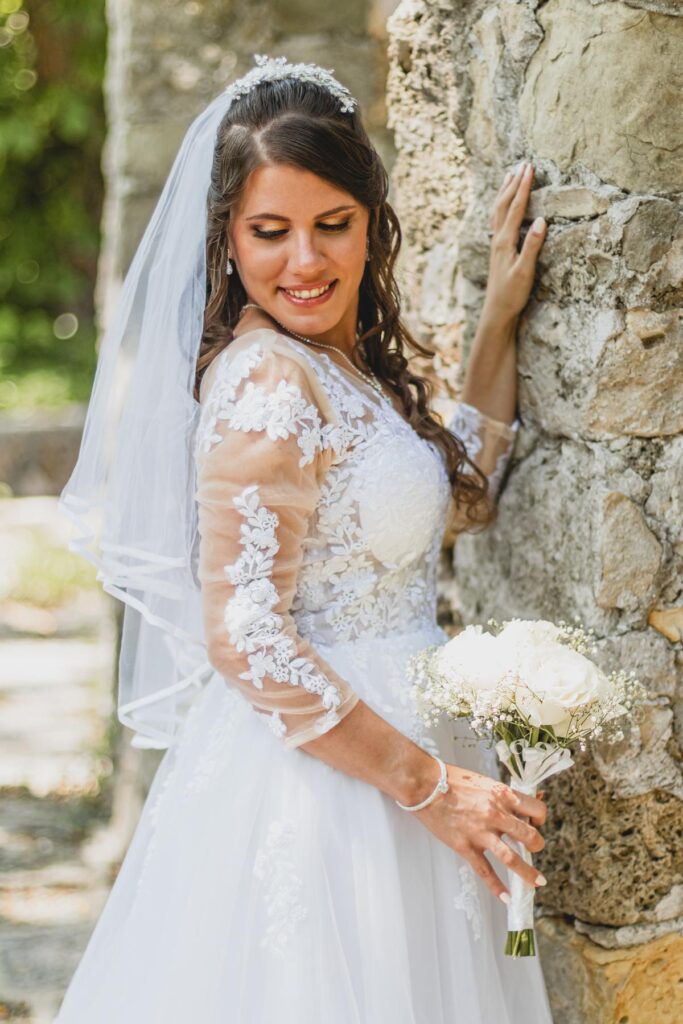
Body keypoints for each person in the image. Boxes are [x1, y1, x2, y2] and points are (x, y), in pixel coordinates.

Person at [55, 54, 553, 1022]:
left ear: (372, 222)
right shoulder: (269, 381)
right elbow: (245, 632)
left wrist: (497, 319)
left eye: (333, 224)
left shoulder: (339, 368)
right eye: (269, 231)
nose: (305, 262)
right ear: (226, 239)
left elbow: (461, 495)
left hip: (404, 761)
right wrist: (429, 788)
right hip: (332, 790)